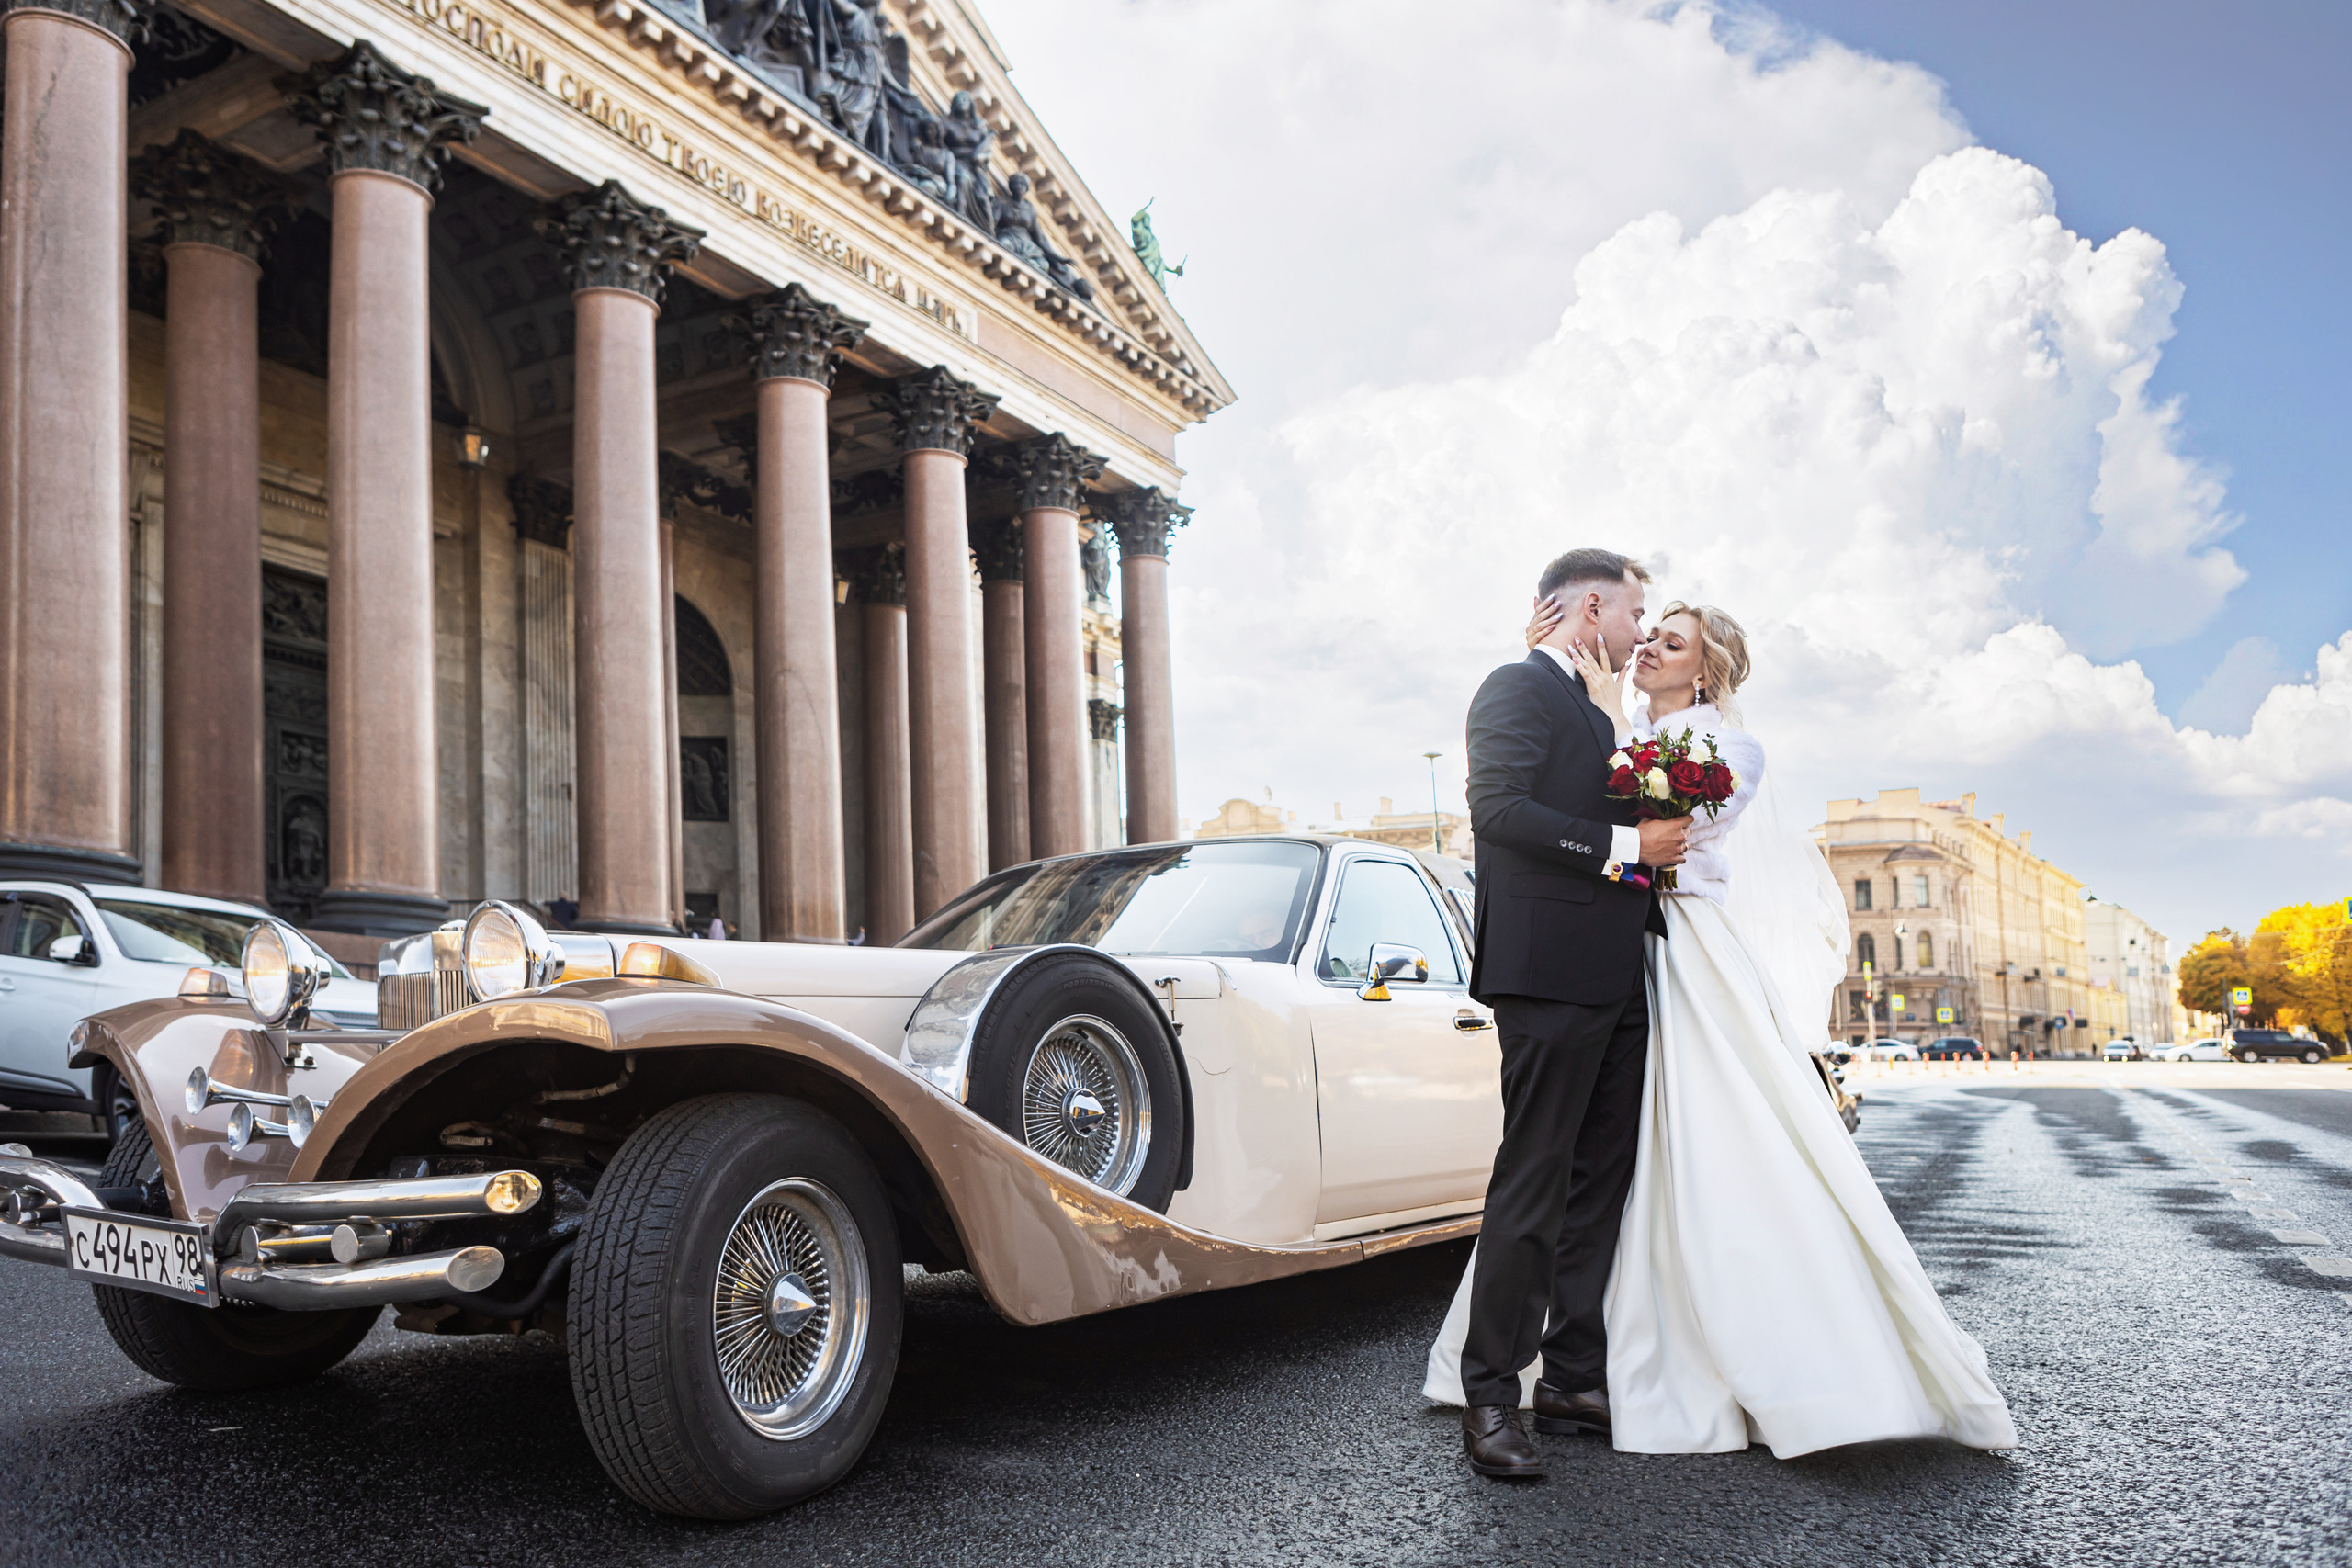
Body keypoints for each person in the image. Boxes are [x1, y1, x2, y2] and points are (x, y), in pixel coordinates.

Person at [1426, 588, 2018, 1466]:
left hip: (1685, 949)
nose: (1648, 647)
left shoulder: (1727, 746)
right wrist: (1590, 703)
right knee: (1591, 1164)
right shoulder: (1613, 717)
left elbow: (1660, 829)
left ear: (1707, 671)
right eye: (1648, 633)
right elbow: (1558, 805)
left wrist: (1606, 721)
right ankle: (1566, 1369)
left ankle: (1649, 1361)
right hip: (1614, 955)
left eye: (1671, 642)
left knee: (1694, 1145)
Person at [1446, 548, 1688, 1479]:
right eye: (1635, 614)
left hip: (1619, 974)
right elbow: (1498, 810)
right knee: (1536, 1177)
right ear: (1591, 607)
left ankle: (1573, 1378)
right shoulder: (1515, 687)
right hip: (1547, 973)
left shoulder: (1592, 703)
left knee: (1599, 1181)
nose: (1640, 632)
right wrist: (1628, 846)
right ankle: (1490, 1396)